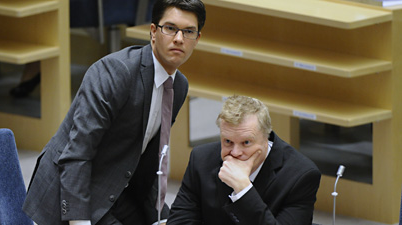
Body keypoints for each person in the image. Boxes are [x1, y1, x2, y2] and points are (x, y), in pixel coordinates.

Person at [22, 1, 206, 225]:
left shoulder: (179, 87)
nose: (178, 39)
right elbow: (76, 154)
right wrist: (79, 222)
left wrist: (159, 216)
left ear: (197, 39)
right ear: (153, 32)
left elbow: (149, 160)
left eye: (188, 32)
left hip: (117, 186)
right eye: (170, 28)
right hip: (70, 192)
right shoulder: (116, 72)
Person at [167, 95, 321, 225]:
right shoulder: (201, 159)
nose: (235, 152)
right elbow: (179, 221)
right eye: (227, 141)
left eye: (246, 143)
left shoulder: (301, 176)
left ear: (266, 138)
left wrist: (244, 190)